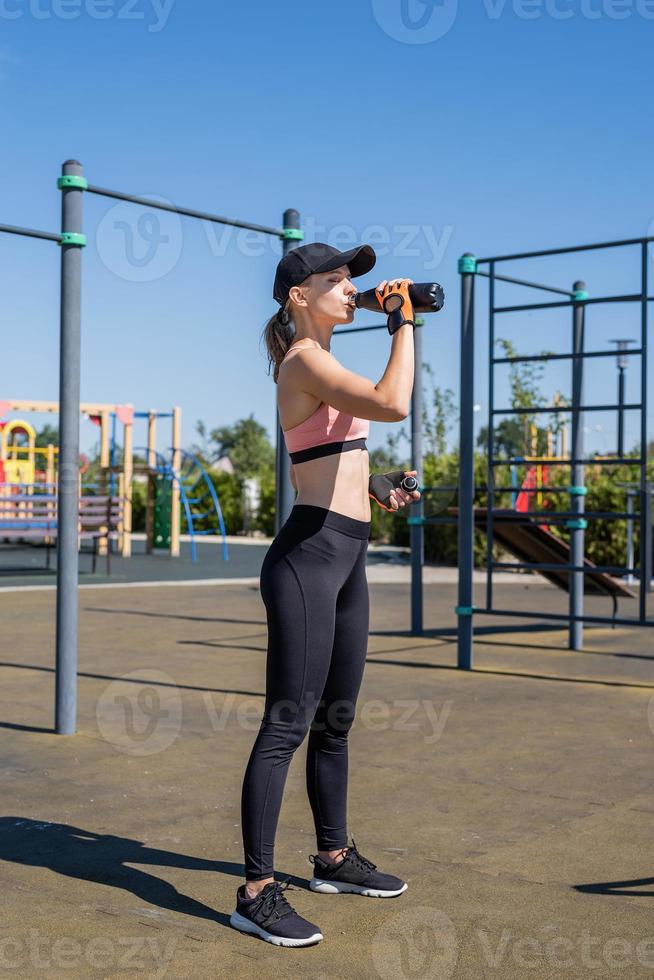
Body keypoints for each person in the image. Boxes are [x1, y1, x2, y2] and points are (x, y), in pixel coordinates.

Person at [229, 242, 421, 947]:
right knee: (287, 724)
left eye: (353, 282)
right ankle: (255, 892)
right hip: (309, 558)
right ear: (297, 297)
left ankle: (333, 859)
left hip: (348, 554)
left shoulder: (327, 363)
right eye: (334, 282)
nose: (350, 290)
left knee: (335, 719)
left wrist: (377, 489)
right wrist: (404, 323)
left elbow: (328, 455)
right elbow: (393, 402)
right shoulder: (305, 360)